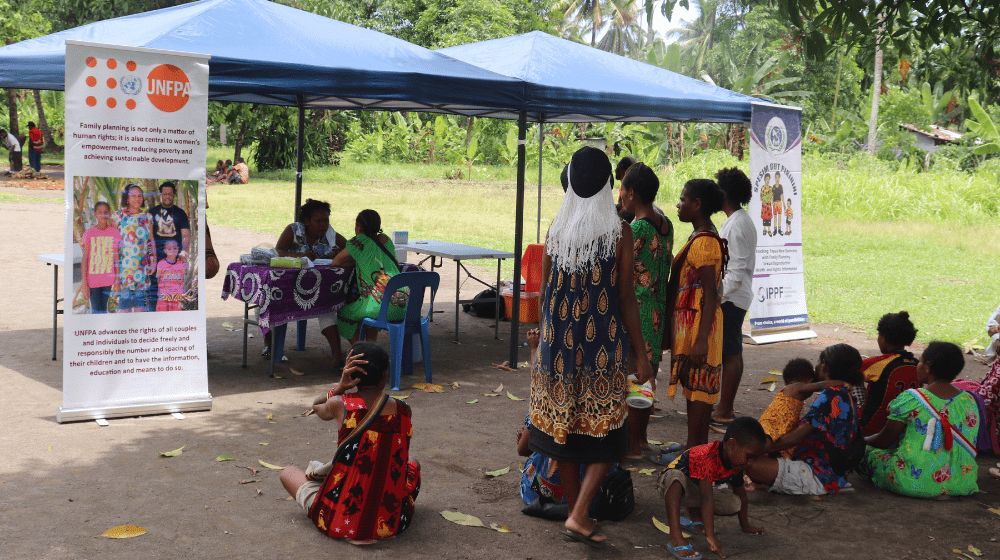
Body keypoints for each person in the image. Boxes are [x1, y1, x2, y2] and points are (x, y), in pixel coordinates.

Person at [528, 146, 653, 549]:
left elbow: (546, 292)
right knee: (608, 433)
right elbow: (626, 298)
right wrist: (641, 352)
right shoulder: (619, 233)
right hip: (600, 346)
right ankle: (580, 513)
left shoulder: (556, 230)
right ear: (609, 185)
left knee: (562, 431)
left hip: (555, 348)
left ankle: (573, 511)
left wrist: (543, 340)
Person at [279, 342, 420, 541]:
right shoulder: (404, 409)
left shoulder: (339, 404)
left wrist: (340, 386)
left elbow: (316, 405)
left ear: (350, 372)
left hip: (336, 522)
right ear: (384, 375)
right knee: (412, 462)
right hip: (391, 524)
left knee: (289, 473)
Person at [518, 328, 634, 522]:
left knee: (539, 441)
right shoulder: (608, 405)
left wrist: (534, 349)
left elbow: (522, 450)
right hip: (592, 500)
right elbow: (621, 455)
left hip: (539, 492)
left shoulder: (547, 402)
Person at [862, 342, 981, 497]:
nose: (918, 366)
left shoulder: (911, 399)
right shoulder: (969, 401)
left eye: (920, 361)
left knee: (865, 452)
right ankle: (942, 488)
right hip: (962, 482)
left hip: (911, 482)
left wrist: (860, 440)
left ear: (928, 366)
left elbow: (883, 441)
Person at [745, 344, 863, 495]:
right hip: (832, 473)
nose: (817, 367)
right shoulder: (847, 395)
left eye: (820, 363)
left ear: (825, 366)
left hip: (817, 475)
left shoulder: (830, 395)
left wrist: (758, 450)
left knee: (748, 463)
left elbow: (796, 438)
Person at [663, 178, 728, 455]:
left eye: (682, 199)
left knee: (700, 391)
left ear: (697, 204)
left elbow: (712, 294)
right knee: (694, 388)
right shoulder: (700, 236)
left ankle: (696, 452)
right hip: (695, 325)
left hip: (703, 327)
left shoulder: (704, 243)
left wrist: (701, 340)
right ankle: (694, 448)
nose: (678, 205)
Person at [619, 162, 673, 460]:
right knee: (648, 372)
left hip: (637, 309)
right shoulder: (665, 224)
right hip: (658, 309)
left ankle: (632, 445)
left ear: (632, 194)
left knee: (634, 375)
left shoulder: (635, 228)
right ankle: (641, 440)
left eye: (624, 189)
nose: (621, 195)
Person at [656, 417, 767, 559]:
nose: (751, 463)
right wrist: (711, 537)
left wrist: (745, 526)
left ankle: (694, 515)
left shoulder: (737, 465)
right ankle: (676, 536)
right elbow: (706, 497)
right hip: (668, 485)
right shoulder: (707, 456)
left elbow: (742, 496)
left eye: (754, 458)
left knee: (734, 503)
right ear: (731, 445)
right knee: (676, 478)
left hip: (695, 490)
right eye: (749, 456)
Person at [269, 199, 347, 367]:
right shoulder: (293, 230)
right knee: (269, 302)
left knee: (328, 310)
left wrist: (339, 254)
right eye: (318, 221)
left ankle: (338, 356)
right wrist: (300, 256)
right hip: (287, 289)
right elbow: (276, 253)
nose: (323, 225)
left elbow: (350, 249)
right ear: (306, 221)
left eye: (326, 220)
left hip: (320, 290)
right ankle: (270, 347)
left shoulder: (330, 234)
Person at [711, 167, 757, 428]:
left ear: (725, 193)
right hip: (735, 296)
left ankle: (724, 411)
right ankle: (724, 407)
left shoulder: (737, 225)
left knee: (730, 354)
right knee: (733, 353)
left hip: (732, 298)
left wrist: (718, 295)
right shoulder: (738, 220)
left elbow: (736, 270)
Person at [333, 209, 405, 346]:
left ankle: (360, 351)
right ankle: (372, 347)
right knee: (373, 311)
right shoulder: (386, 240)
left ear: (359, 226)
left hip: (375, 306)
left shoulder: (358, 241)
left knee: (344, 314)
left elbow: (336, 261)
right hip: (401, 305)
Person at [759, 358, 846, 458]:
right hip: (771, 425)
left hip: (774, 426)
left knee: (772, 452)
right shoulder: (796, 387)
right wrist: (841, 383)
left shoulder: (790, 389)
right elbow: (820, 385)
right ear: (809, 381)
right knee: (765, 447)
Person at [859, 311, 919, 436]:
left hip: (869, 428)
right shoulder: (918, 365)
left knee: (851, 380)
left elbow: (845, 371)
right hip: (902, 430)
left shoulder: (878, 363)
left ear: (884, 338)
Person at [112, 184, 155, 313]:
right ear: (127, 198)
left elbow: (151, 240)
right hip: (124, 271)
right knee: (124, 308)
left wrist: (154, 262)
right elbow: (114, 247)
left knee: (139, 307)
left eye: (140, 196)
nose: (137, 198)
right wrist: (117, 274)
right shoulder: (118, 216)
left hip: (141, 269)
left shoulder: (147, 217)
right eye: (133, 196)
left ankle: (137, 331)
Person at [148, 181, 191, 311]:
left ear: (174, 195)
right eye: (165, 194)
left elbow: (186, 235)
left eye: (170, 194)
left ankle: (172, 323)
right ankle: (153, 321)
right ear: (161, 194)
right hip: (156, 260)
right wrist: (151, 257)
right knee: (154, 292)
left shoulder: (180, 213)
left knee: (173, 294)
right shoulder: (152, 212)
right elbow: (148, 237)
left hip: (174, 262)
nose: (167, 197)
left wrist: (183, 251)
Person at [80, 201, 121, 314]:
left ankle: (102, 331)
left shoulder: (114, 232)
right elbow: (84, 261)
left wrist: (117, 279)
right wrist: (84, 283)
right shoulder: (89, 233)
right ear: (95, 214)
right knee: (97, 311)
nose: (103, 215)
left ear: (109, 214)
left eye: (106, 212)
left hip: (108, 280)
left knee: (103, 310)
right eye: (100, 212)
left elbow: (116, 257)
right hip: (92, 281)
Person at [155, 240, 186, 312]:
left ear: (178, 249)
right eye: (169, 248)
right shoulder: (161, 263)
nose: (172, 250)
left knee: (176, 316)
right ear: (165, 251)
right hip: (164, 296)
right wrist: (159, 292)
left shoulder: (181, 263)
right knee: (162, 315)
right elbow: (158, 278)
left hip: (177, 296)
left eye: (175, 248)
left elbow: (184, 278)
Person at [771, 172, 784, 237]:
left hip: (779, 202)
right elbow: (772, 195)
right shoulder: (773, 187)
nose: (777, 179)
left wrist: (783, 203)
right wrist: (772, 202)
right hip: (775, 203)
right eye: (776, 177)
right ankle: (775, 229)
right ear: (774, 178)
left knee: (779, 216)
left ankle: (779, 229)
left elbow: (782, 195)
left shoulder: (781, 186)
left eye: (778, 177)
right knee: (775, 216)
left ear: (779, 178)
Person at [759, 173, 772, 237]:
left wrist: (769, 199)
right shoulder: (762, 188)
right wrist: (762, 200)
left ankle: (769, 230)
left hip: (769, 205)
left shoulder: (770, 188)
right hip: (764, 205)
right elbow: (761, 197)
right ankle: (764, 229)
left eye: (768, 179)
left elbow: (771, 196)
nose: (767, 180)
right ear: (764, 179)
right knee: (764, 218)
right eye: (766, 179)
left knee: (769, 218)